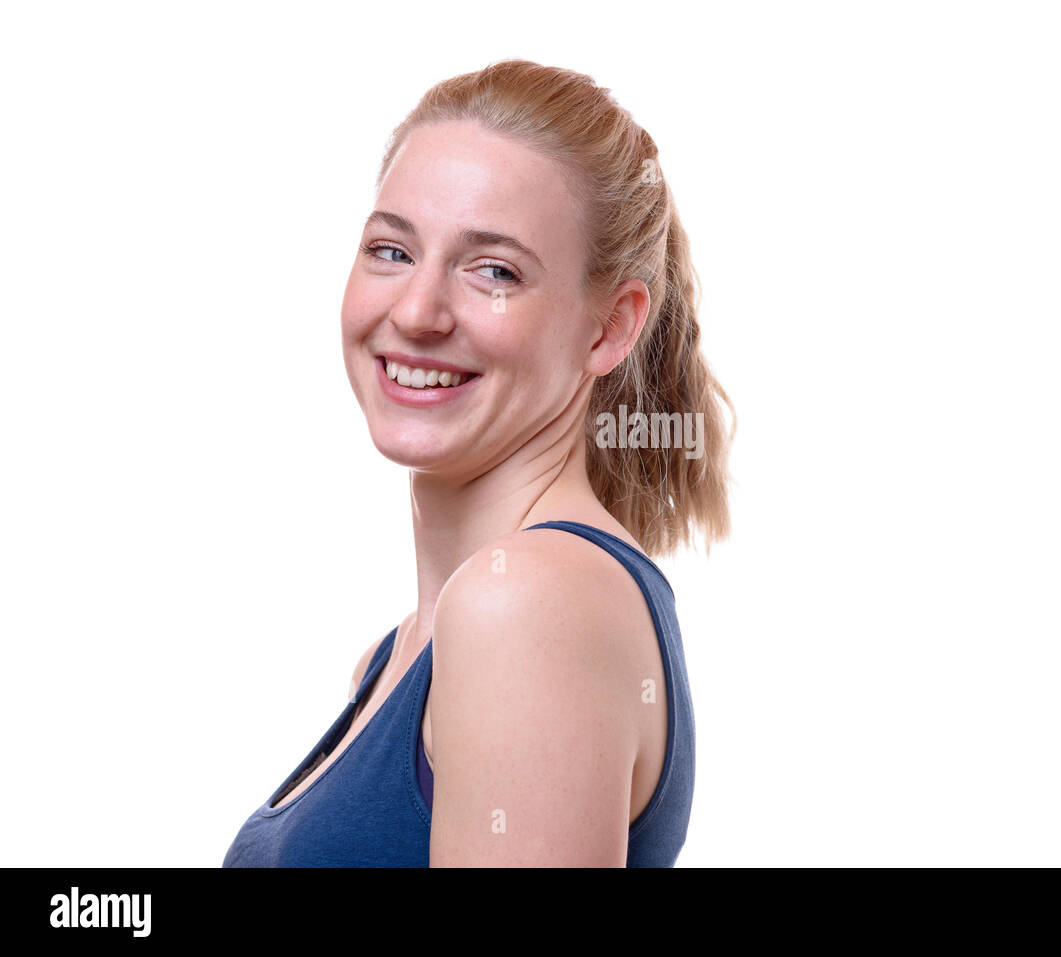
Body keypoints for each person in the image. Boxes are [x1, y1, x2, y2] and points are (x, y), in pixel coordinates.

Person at [222, 59, 733, 867]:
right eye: (391, 250)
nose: (417, 311)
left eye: (493, 270)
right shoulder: (400, 659)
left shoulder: (526, 608)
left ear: (609, 328)